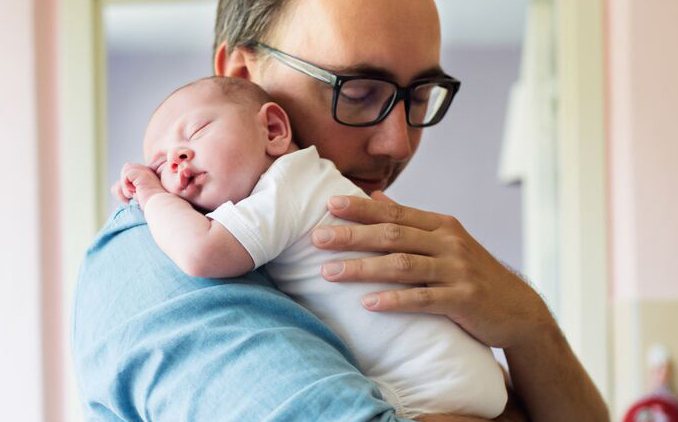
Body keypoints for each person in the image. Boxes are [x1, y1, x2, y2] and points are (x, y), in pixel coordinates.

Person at [72, 0, 609, 421]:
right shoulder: (153, 257)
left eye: (419, 96)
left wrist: (531, 325)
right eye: (356, 91)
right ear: (243, 78)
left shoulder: (361, 242)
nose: (397, 143)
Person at [113, 76, 507, 419]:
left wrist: (151, 193)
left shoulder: (289, 183)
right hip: (464, 377)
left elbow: (201, 252)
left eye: (196, 132)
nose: (178, 158)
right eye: (160, 164)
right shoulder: (307, 182)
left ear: (272, 129)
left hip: (426, 386)